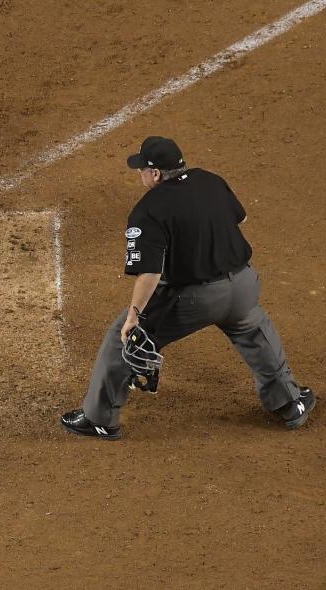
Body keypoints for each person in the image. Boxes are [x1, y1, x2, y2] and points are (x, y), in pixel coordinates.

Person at [61, 136, 315, 440]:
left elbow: (150, 273)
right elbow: (241, 216)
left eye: (142, 169)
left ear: (155, 174)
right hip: (245, 285)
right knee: (253, 331)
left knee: (124, 340)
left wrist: (134, 316)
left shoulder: (150, 209)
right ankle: (290, 403)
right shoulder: (210, 180)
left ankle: (99, 418)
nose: (139, 173)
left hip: (198, 299)